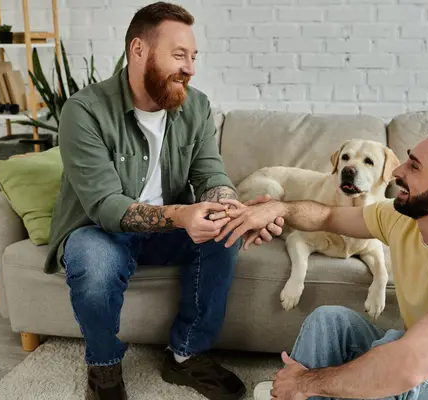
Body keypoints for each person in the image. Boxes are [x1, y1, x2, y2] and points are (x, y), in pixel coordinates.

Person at [44, 2, 283, 400]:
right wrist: (181, 215)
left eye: (193, 57)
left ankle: (186, 356)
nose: (190, 67)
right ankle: (103, 367)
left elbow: (210, 176)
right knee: (95, 261)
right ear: (138, 50)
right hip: (98, 230)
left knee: (225, 234)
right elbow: (105, 205)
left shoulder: (197, 106)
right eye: (179, 56)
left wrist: (234, 211)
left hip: (171, 228)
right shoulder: (83, 110)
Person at [211, 127, 428, 400]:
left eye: (414, 166)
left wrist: (307, 381)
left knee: (396, 349)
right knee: (329, 320)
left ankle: (301, 391)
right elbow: (326, 216)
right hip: (417, 370)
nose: (397, 171)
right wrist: (278, 208)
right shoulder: (401, 219)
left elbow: (410, 366)